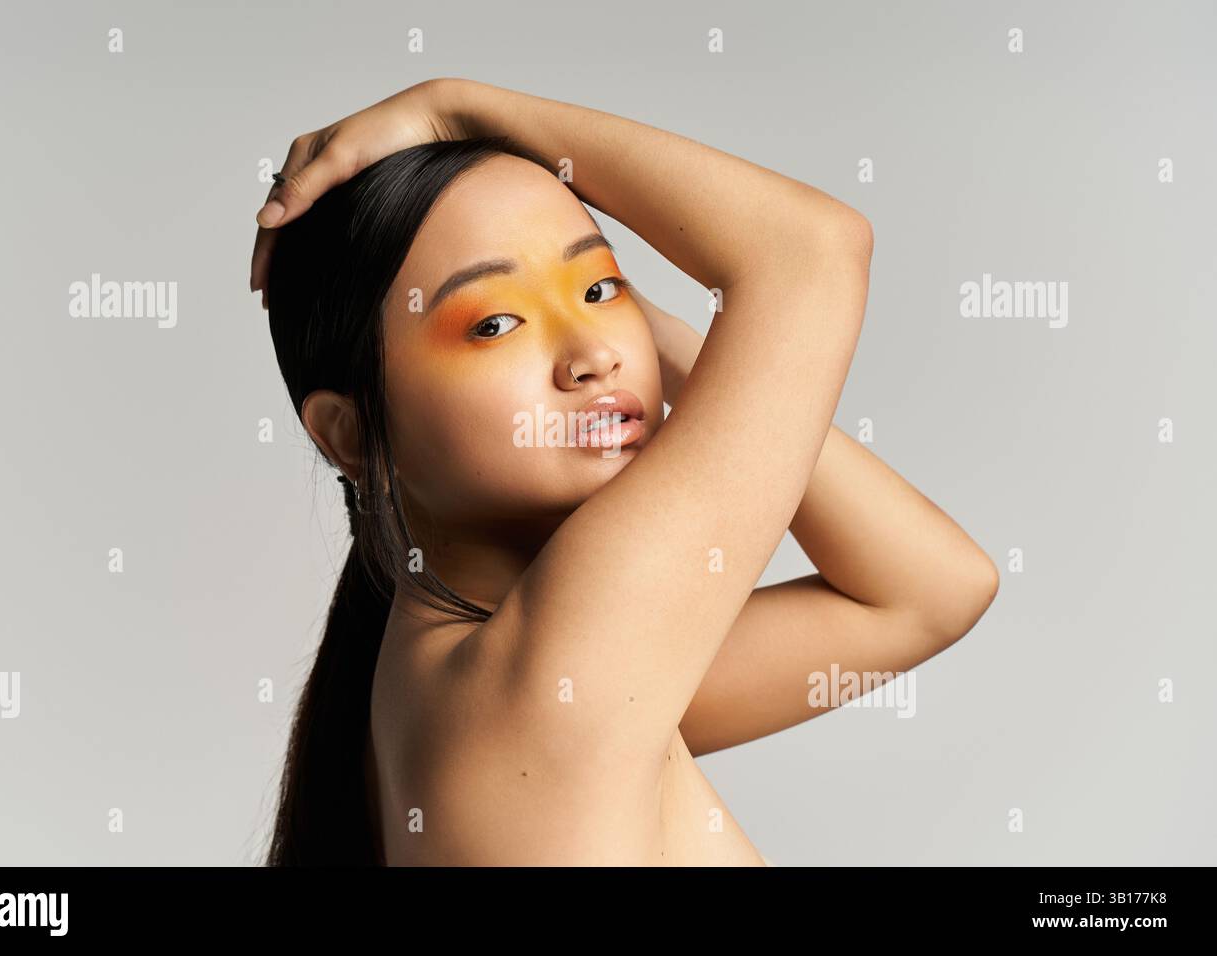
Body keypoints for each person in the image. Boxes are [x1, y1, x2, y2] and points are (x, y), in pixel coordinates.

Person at [249, 78, 998, 866]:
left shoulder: (492, 674)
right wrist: (452, 105)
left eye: (600, 288)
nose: (594, 355)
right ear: (350, 431)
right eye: (495, 322)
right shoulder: (542, 679)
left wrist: (646, 339)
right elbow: (812, 249)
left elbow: (926, 592)